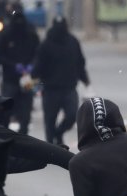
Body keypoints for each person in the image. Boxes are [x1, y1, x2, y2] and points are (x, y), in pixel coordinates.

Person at [31, 16, 90, 144]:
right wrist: (33, 77)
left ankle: (59, 133)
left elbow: (79, 62)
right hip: (50, 89)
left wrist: (85, 79)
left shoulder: (73, 42)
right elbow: (39, 64)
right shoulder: (46, 44)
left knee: (72, 115)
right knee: (50, 120)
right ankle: (50, 144)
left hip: (69, 88)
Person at [0, 9, 39, 135]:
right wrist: (13, 66)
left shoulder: (31, 35)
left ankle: (23, 132)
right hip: (10, 78)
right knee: (7, 107)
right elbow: (0, 55)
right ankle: (4, 132)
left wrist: (31, 65)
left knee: (26, 108)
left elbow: (38, 53)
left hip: (28, 78)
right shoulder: (5, 35)